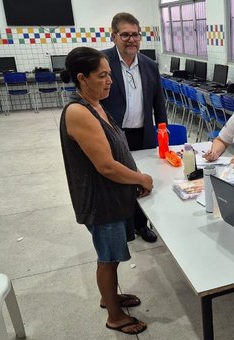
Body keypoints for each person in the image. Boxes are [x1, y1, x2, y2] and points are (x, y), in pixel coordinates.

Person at [59, 47, 152, 335]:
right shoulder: (79, 111)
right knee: (108, 259)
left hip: (113, 196)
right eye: (102, 76)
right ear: (82, 78)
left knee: (111, 255)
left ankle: (109, 297)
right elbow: (106, 166)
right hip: (101, 201)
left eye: (109, 74)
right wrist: (141, 178)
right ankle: (114, 314)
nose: (109, 80)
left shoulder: (96, 103)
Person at [101, 12, 167, 243]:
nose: (131, 40)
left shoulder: (149, 65)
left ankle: (141, 224)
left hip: (143, 133)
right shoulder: (102, 62)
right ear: (114, 36)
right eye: (125, 35)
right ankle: (122, 225)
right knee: (119, 180)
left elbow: (159, 102)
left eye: (136, 35)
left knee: (143, 179)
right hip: (114, 134)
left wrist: (162, 130)